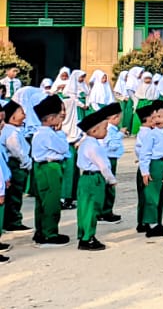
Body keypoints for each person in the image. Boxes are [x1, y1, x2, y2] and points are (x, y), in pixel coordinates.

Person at [74, 103, 121, 251]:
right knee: (91, 209)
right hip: (94, 179)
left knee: (84, 208)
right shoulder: (93, 146)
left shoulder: (85, 143)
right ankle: (88, 238)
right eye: (104, 129)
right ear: (94, 130)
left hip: (84, 179)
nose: (106, 132)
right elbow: (104, 166)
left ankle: (83, 235)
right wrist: (111, 179)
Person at [29, 93, 72, 246]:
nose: (62, 118)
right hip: (50, 168)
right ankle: (50, 234)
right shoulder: (49, 134)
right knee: (51, 201)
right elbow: (63, 148)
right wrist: (60, 132)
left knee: (42, 201)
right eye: (60, 115)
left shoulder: (40, 133)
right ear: (51, 118)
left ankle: (40, 231)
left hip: (42, 168)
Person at [135, 100, 163, 238]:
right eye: (154, 117)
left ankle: (157, 222)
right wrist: (145, 172)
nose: (157, 120)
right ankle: (151, 224)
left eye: (160, 116)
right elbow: (144, 153)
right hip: (154, 164)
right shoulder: (150, 134)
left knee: (161, 194)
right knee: (152, 195)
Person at [2, 99, 29, 235]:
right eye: (21, 112)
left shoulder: (12, 130)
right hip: (15, 164)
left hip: (14, 163)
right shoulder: (11, 132)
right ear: (12, 117)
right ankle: (13, 221)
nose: (24, 115)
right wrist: (26, 162)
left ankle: (11, 220)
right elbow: (17, 150)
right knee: (15, 194)